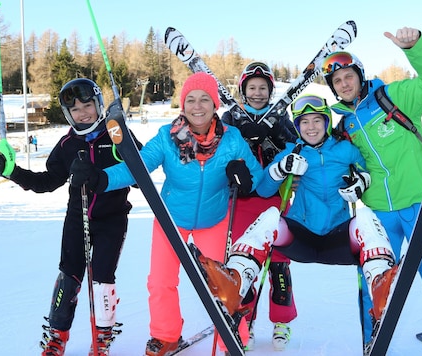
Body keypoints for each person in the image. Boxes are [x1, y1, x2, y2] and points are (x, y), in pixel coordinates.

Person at [68, 72, 264, 356]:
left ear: (215, 104)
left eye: (205, 99)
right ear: (183, 105)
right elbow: (137, 166)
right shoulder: (167, 138)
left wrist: (244, 177)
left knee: (224, 286)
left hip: (215, 218)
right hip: (171, 220)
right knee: (161, 281)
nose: (198, 106)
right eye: (191, 100)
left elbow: (255, 178)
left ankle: (231, 338)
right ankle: (166, 335)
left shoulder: (232, 140)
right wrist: (100, 178)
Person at [192, 94, 399, 351]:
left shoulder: (346, 149)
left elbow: (368, 168)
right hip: (300, 237)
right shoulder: (292, 151)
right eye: (304, 122)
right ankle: (236, 281)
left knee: (366, 218)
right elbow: (266, 190)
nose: (311, 127)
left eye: (317, 121)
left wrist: (361, 181)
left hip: (338, 238)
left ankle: (380, 284)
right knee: (269, 216)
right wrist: (280, 169)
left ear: (326, 122)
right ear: (297, 126)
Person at [321, 27, 422, 355]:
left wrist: (415, 46)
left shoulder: (393, 97)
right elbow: (345, 166)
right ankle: (373, 342)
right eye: (337, 82)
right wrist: (353, 182)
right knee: (374, 284)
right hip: (378, 215)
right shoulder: (343, 128)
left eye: (348, 76)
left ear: (360, 75)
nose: (344, 84)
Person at [0, 78, 141, 356]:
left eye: (88, 105)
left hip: (112, 219)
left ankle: (101, 340)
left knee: (102, 278)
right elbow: (47, 182)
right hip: (77, 219)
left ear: (98, 104)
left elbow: (139, 176)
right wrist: (12, 172)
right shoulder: (66, 145)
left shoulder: (116, 134)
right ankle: (57, 337)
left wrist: (126, 150)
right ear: (66, 113)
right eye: (75, 109)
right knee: (69, 276)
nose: (83, 113)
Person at [220, 61, 298, 350]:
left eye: (262, 88)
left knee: (279, 265)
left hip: (275, 200)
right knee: (244, 264)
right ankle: (244, 321)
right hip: (240, 201)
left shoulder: (280, 118)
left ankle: (282, 322)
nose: (257, 93)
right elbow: (219, 150)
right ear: (243, 90)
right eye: (251, 87)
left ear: (270, 91)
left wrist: (275, 138)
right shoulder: (231, 118)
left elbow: (296, 145)